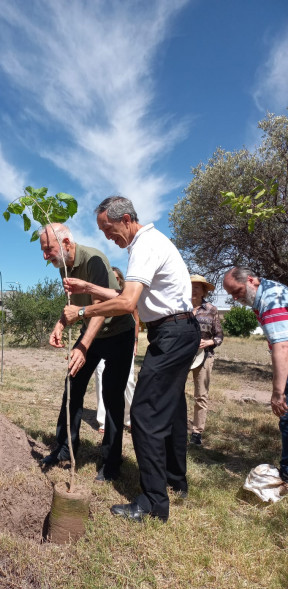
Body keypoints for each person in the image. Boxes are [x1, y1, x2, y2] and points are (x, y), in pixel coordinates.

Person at [63, 196, 200, 522]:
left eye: (107, 229)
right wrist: (87, 285)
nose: (107, 236)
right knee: (172, 409)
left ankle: (153, 503)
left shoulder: (144, 245)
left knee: (144, 414)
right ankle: (175, 481)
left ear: (125, 218)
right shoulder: (152, 242)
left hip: (172, 334)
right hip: (181, 330)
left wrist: (82, 309)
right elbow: (130, 296)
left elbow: (127, 304)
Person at [39, 223, 135, 482]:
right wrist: (60, 324)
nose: (45, 256)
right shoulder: (63, 266)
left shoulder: (95, 259)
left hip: (117, 333)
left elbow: (102, 307)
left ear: (67, 243)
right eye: (43, 251)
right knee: (72, 386)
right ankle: (64, 450)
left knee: (113, 397)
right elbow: (73, 305)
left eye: (48, 250)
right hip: (91, 332)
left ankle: (111, 464)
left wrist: (83, 346)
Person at [223, 267, 288, 482]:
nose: (235, 298)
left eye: (237, 291)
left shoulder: (270, 299)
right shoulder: (265, 295)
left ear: (251, 280)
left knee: (286, 416)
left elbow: (282, 347)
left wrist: (278, 393)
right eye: (231, 294)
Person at [95, 267, 139, 432]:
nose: (114, 281)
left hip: (123, 341)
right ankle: (103, 420)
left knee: (128, 380)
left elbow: (135, 319)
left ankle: (129, 417)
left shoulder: (127, 296)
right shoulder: (99, 296)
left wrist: (135, 342)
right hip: (101, 339)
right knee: (100, 377)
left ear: (120, 280)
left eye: (116, 278)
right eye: (110, 278)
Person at [189, 274, 223, 445]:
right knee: (175, 391)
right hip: (182, 356)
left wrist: (209, 342)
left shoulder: (211, 309)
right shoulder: (181, 307)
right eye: (191, 285)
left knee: (201, 395)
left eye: (197, 286)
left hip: (205, 357)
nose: (193, 289)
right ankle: (177, 425)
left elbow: (219, 335)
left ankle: (197, 432)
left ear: (203, 290)